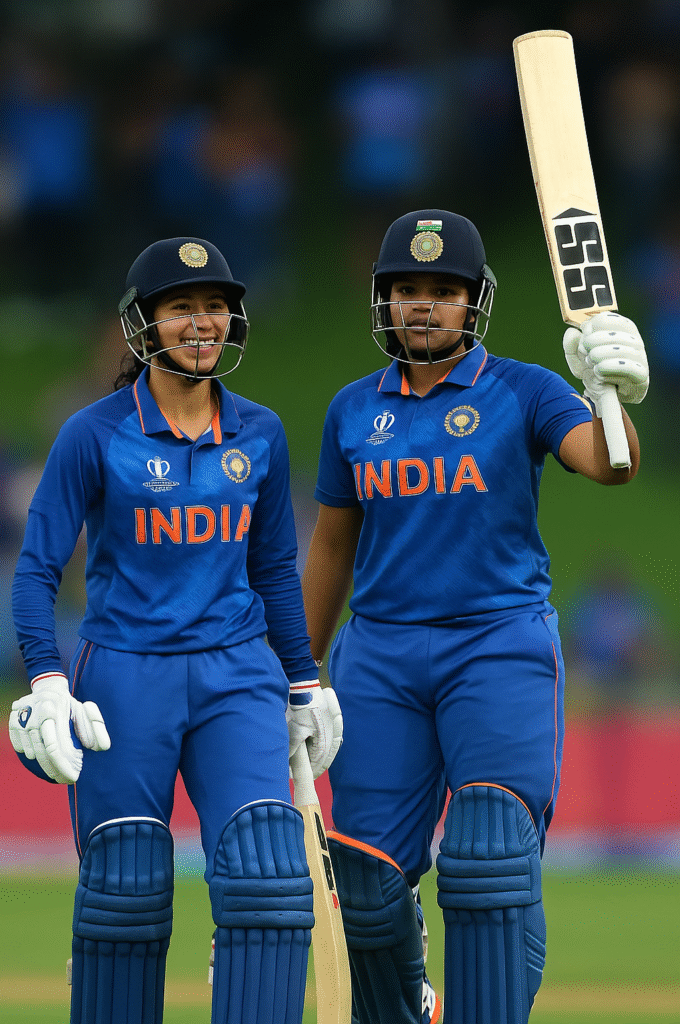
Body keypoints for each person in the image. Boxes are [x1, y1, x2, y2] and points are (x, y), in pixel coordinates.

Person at [301, 210, 648, 1024]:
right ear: (384, 300)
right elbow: (328, 552)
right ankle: (403, 1003)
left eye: (444, 291)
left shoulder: (522, 388)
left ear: (473, 302)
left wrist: (607, 393)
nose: (425, 305)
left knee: (488, 858)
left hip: (496, 647)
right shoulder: (353, 410)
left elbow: (611, 465)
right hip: (378, 657)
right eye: (408, 289)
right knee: (365, 882)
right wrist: (291, 673)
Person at [8, 236, 342, 1024]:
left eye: (216, 306)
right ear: (143, 325)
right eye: (181, 307)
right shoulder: (92, 434)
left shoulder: (258, 433)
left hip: (238, 675)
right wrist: (48, 681)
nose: (203, 322)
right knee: (125, 886)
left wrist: (305, 681)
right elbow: (35, 572)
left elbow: (273, 573)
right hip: (125, 677)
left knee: (266, 881)